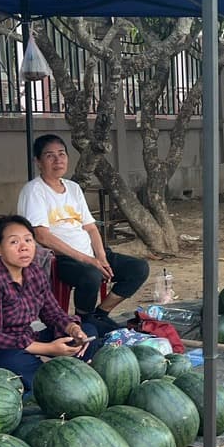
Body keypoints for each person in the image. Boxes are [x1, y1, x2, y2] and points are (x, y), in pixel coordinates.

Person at [18, 134, 150, 334]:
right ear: (38, 161)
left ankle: (100, 314)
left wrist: (101, 257)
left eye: (62, 154)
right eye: (50, 156)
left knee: (138, 268)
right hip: (62, 259)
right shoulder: (34, 191)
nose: (58, 160)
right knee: (91, 275)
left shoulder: (73, 188)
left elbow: (91, 227)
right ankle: (83, 319)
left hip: (90, 254)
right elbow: (41, 236)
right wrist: (88, 260)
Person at [0, 215, 98, 389]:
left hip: (23, 341)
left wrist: (73, 329)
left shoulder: (34, 272)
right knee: (14, 362)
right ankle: (56, 379)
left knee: (88, 331)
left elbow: (53, 314)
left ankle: (54, 371)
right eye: (14, 242)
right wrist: (48, 349)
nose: (23, 247)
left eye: (28, 240)